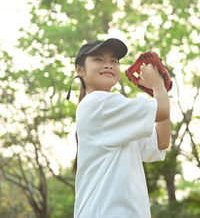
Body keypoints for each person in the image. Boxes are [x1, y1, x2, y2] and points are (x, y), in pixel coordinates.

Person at [66, 38, 171, 218]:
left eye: (113, 61)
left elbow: (161, 142)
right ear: (79, 70)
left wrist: (158, 91)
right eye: (98, 59)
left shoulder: (115, 114)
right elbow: (162, 110)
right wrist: (158, 86)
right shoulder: (98, 103)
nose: (108, 65)